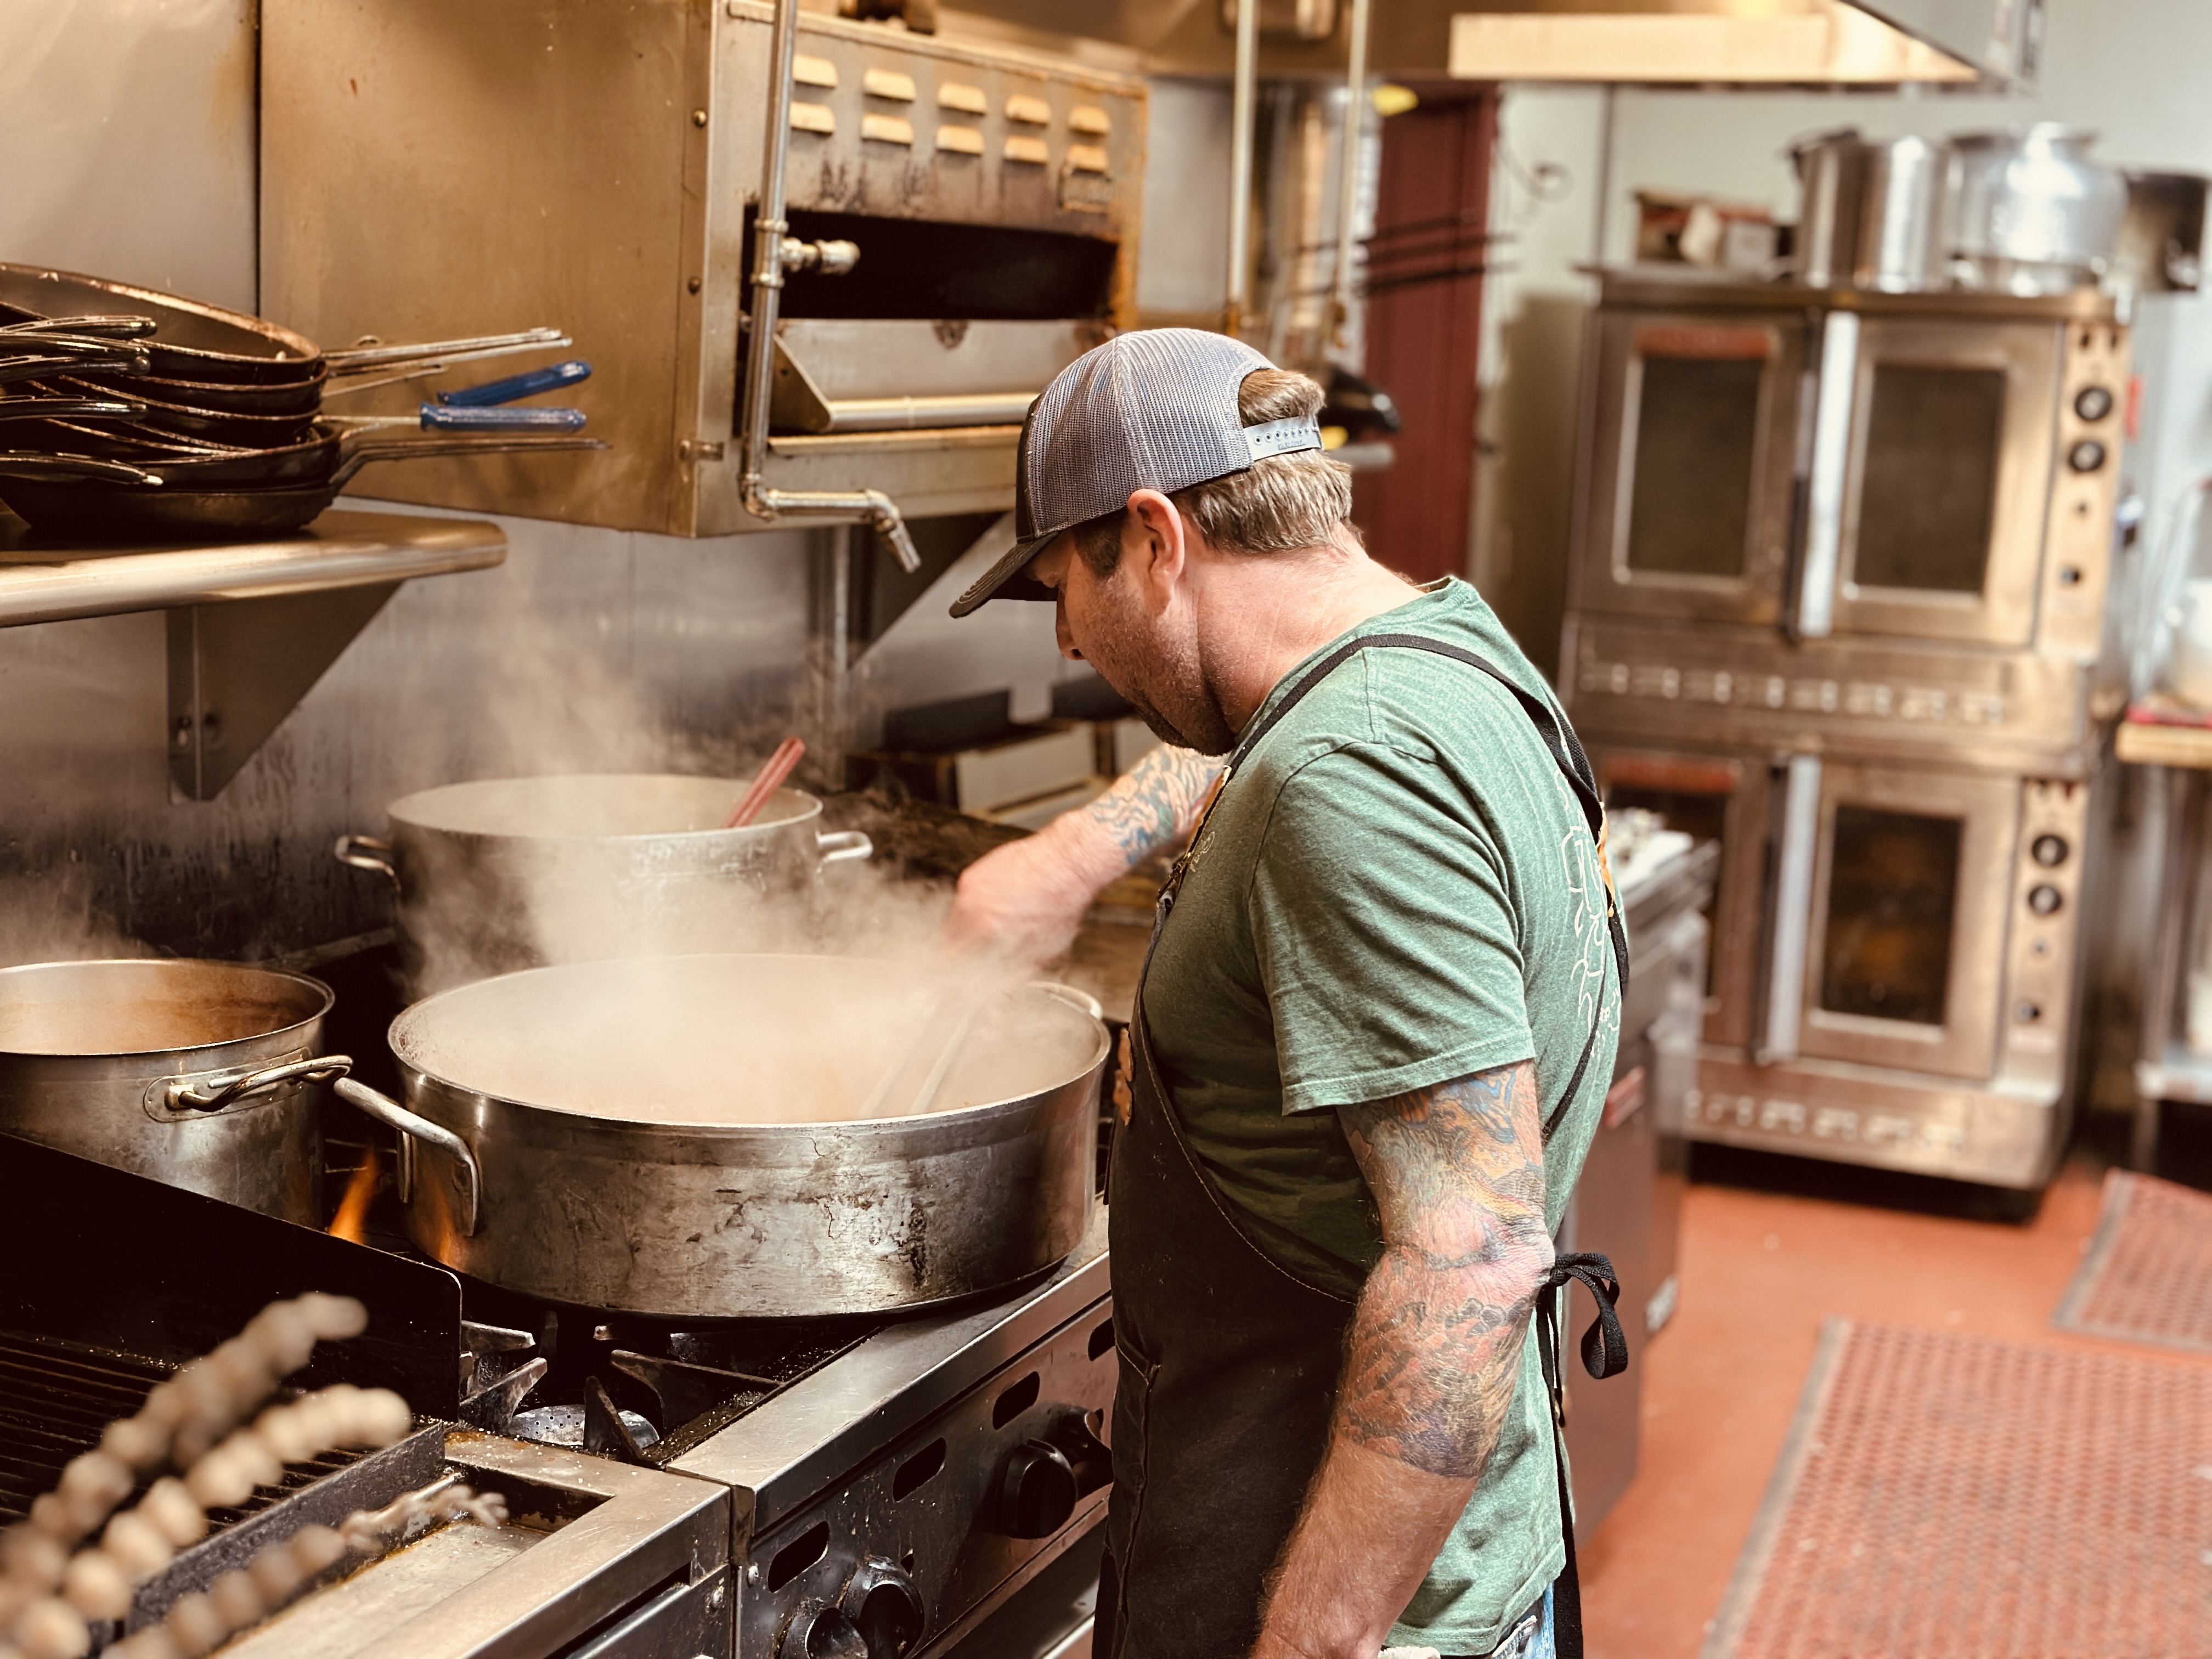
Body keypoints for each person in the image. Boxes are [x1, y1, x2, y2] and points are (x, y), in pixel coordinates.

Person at [946, 329, 1627, 1659]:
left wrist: (1311, 1642)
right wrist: (1083, 847)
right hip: (1454, 1564)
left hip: (1349, 1614)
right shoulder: (1438, 648)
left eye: (1059, 589)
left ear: (1154, 537)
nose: (1074, 639)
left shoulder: (1348, 785)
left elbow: (1473, 1266)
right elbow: (1280, 734)